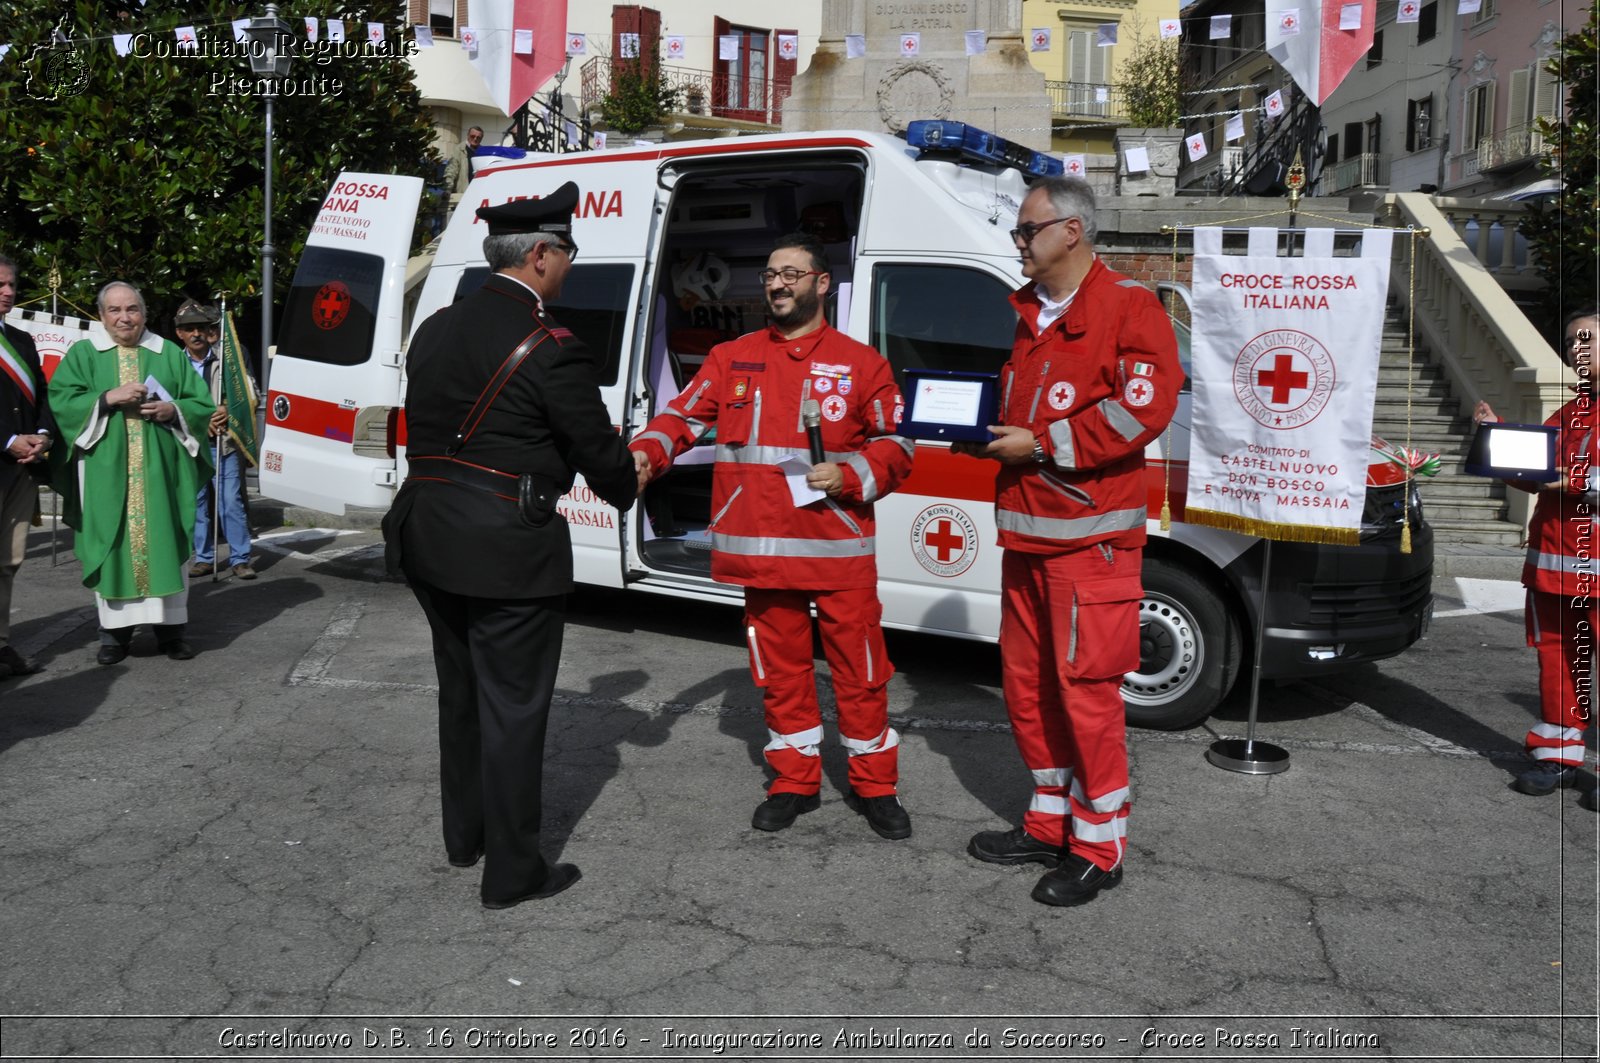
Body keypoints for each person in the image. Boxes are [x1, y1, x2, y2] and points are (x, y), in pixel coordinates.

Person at [381, 184, 638, 909]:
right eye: (567, 253)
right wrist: (634, 472)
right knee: (515, 708)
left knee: (460, 695)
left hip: (428, 534)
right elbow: (601, 458)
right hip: (506, 546)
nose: (571, 266)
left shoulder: (433, 327)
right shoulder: (552, 346)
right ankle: (513, 871)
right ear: (540, 255)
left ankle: (465, 839)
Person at [629, 233, 916, 839]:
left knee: (862, 674)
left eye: (791, 273)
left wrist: (851, 472)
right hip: (763, 556)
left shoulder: (863, 363)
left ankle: (875, 786)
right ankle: (794, 781)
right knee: (780, 675)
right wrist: (643, 456)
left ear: (821, 283)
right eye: (769, 274)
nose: (777, 284)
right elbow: (680, 418)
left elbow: (898, 444)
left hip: (838, 554)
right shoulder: (731, 357)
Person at [953, 176, 1181, 907]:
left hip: (1090, 545)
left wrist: (1042, 446)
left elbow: (1140, 411)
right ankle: (1049, 820)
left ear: (1071, 231)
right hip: (1026, 537)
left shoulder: (1130, 309)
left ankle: (1099, 846)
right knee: (1028, 689)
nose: (1017, 241)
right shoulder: (1030, 316)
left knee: (1087, 697)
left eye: (1026, 230)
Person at [48, 281, 214, 665]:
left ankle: (171, 633)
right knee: (113, 543)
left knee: (165, 541)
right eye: (115, 310)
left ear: (144, 313)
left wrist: (174, 412)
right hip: (105, 472)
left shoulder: (169, 353)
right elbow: (61, 402)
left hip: (161, 471)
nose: (125, 318)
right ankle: (114, 637)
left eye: (132, 309)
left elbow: (199, 402)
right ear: (102, 315)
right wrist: (106, 399)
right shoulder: (84, 354)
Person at [1475, 307, 1600, 811]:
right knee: (1558, 660)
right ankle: (1558, 757)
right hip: (1554, 566)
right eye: (1572, 342)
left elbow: (1567, 479)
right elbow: (1535, 471)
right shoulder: (1570, 413)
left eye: (1587, 339)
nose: (1577, 350)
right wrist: (1494, 436)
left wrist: (1575, 483)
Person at [0, 254, 55, 679]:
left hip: (20, 470)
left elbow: (42, 396)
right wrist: (6, 440)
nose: (7, 292)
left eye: (11, 285)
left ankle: (0, 645)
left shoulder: (21, 340)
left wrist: (42, 434)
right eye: (0, 285)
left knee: (8, 559)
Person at [175, 300, 256, 580]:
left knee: (230, 502)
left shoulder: (229, 360)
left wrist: (226, 409)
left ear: (209, 330)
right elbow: (165, 401)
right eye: (189, 329)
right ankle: (204, 557)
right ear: (180, 334)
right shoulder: (172, 363)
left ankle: (240, 558)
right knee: (196, 503)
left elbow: (250, 393)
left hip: (224, 444)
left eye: (200, 328)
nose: (196, 334)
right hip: (189, 444)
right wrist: (200, 419)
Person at [444, 126, 483, 200]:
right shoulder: (459, 150)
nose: (475, 139)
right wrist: (448, 189)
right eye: (472, 136)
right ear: (468, 135)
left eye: (478, 137)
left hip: (478, 194)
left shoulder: (483, 152)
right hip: (463, 194)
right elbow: (451, 170)